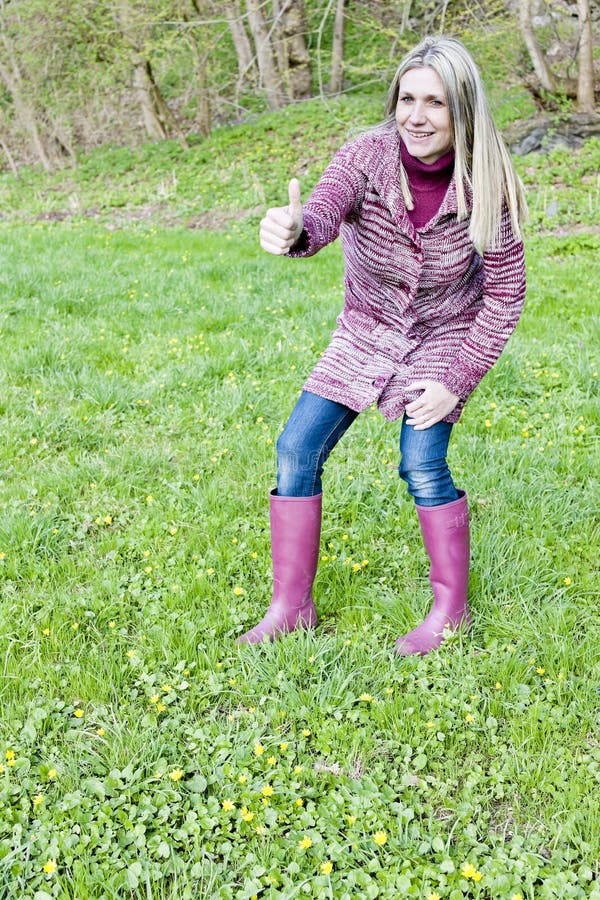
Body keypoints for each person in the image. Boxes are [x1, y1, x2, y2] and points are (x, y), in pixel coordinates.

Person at [237, 36, 527, 655]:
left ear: (463, 112)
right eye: (407, 98)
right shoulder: (364, 157)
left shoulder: (488, 184)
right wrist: (293, 232)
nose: (415, 116)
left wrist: (457, 378)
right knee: (296, 448)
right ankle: (292, 607)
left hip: (445, 343)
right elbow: (318, 216)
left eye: (436, 103)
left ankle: (450, 611)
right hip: (365, 332)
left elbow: (505, 296)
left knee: (421, 462)